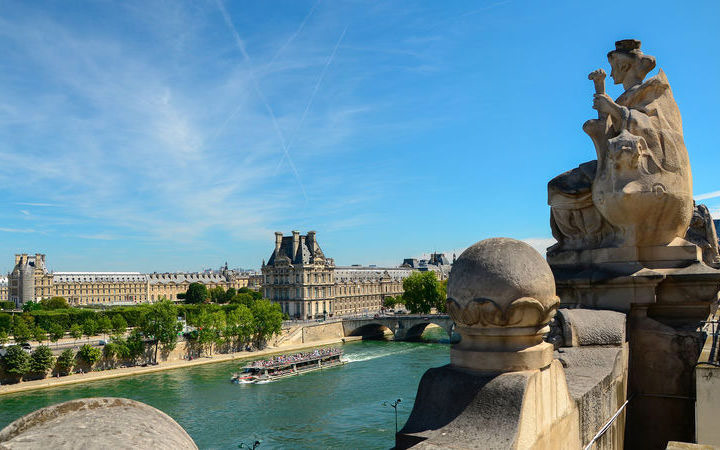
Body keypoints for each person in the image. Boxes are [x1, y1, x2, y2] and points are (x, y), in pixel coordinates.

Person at [548, 39, 691, 252]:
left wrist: (615, 110)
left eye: (613, 68)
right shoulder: (625, 98)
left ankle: (589, 240)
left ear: (624, 66)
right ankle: (579, 242)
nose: (611, 73)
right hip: (616, 166)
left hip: (641, 171)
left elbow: (659, 132)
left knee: (564, 190)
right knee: (558, 187)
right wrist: (604, 116)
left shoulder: (655, 91)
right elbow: (610, 138)